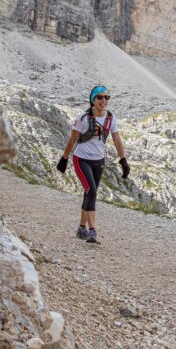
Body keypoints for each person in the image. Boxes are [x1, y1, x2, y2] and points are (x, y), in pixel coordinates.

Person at [56, 85, 130, 244]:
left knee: (88, 193)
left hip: (99, 160)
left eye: (106, 97)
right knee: (91, 191)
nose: (104, 100)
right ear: (93, 100)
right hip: (81, 159)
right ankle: (92, 230)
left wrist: (123, 160)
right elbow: (73, 139)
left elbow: (117, 140)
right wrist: (64, 158)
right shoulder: (82, 118)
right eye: (100, 97)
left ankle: (82, 228)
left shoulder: (111, 118)